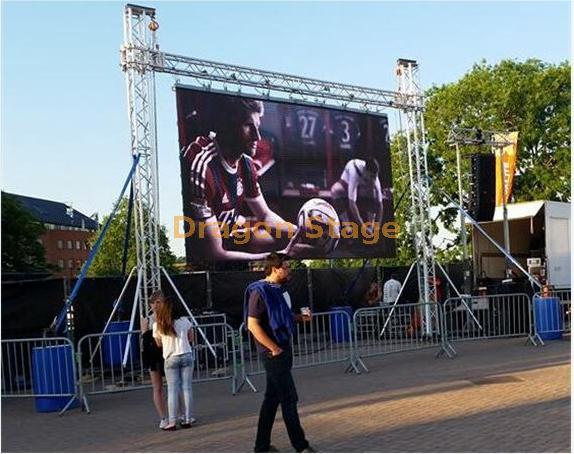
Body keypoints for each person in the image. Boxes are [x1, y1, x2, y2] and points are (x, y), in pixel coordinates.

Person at [182, 98, 302, 261]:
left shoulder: (246, 163)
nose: (257, 136)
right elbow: (215, 253)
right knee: (279, 245)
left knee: (285, 240)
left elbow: (265, 216)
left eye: (258, 127)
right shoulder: (203, 166)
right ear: (229, 127)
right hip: (204, 256)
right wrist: (274, 257)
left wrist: (303, 233)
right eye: (248, 126)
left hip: (228, 237)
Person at [244, 252, 316, 453]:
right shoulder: (260, 292)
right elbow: (252, 325)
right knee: (289, 397)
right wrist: (273, 348)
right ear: (275, 269)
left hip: (283, 349)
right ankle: (301, 446)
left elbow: (282, 317)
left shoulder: (277, 290)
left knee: (272, 399)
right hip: (272, 354)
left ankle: (261, 446)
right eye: (287, 267)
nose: (289, 270)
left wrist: (300, 319)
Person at [152, 293, 196, 431]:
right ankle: (187, 418)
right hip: (186, 354)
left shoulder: (159, 323)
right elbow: (191, 338)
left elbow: (158, 343)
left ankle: (172, 421)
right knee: (186, 388)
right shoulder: (184, 320)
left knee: (172, 389)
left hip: (170, 357)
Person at [330, 158, 384, 237]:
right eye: (372, 177)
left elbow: (380, 204)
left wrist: (377, 228)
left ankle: (370, 225)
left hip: (361, 189)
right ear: (365, 171)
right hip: (347, 186)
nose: (374, 180)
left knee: (373, 191)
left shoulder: (374, 176)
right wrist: (363, 227)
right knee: (335, 190)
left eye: (375, 177)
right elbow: (352, 204)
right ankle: (348, 227)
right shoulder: (354, 171)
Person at [141, 293, 168, 429]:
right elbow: (145, 339)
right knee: (157, 387)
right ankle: (163, 417)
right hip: (153, 355)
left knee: (175, 385)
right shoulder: (147, 319)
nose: (156, 306)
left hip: (167, 353)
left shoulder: (169, 317)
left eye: (159, 303)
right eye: (154, 303)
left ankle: (180, 414)